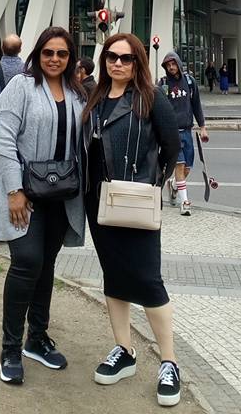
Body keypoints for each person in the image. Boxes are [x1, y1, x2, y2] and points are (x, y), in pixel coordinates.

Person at [82, 33, 181, 407]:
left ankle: (169, 362)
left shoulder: (151, 98)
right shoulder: (94, 98)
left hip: (135, 202)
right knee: (115, 276)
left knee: (148, 280)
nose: (118, 64)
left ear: (138, 62)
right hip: (99, 203)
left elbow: (171, 148)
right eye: (112, 57)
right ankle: (124, 350)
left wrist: (150, 185)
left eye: (126, 58)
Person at [0, 27, 85, 387]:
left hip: (61, 196)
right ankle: (10, 348)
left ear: (70, 57)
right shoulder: (21, 86)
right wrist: (14, 190)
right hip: (25, 195)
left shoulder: (76, 92)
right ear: (37, 54)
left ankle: (37, 338)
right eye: (48, 52)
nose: (55, 59)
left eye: (62, 53)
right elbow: (3, 137)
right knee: (27, 262)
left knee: (46, 266)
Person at [159, 52, 209, 216]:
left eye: (173, 64)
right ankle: (184, 202)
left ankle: (174, 186)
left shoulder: (189, 82)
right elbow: (159, 108)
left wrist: (202, 127)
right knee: (179, 165)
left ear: (179, 64)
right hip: (171, 133)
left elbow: (196, 105)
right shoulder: (164, 84)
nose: (171, 67)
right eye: (168, 65)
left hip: (187, 131)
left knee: (187, 168)